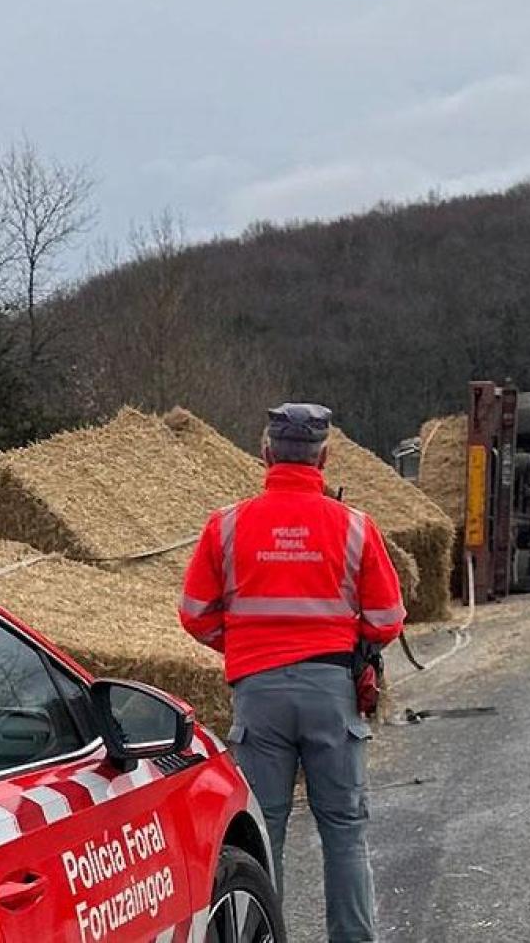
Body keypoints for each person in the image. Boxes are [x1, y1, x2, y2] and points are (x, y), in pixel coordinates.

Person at [177, 402, 406, 942]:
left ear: (265, 455)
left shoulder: (226, 526)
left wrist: (243, 646)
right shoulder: (354, 527)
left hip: (258, 693)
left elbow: (194, 613)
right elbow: (388, 619)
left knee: (262, 830)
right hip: (332, 694)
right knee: (345, 830)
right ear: (323, 458)